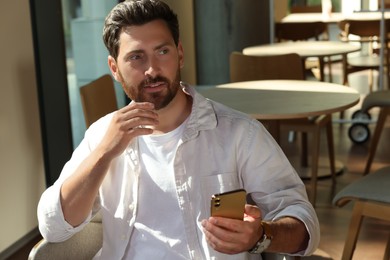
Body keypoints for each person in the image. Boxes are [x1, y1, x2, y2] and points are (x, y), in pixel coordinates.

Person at [37, 0, 320, 259]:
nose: (152, 69)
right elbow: (54, 228)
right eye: (136, 57)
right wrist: (104, 153)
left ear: (180, 54)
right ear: (114, 68)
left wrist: (262, 235)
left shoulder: (239, 134)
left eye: (162, 51)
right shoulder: (102, 135)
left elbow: (304, 224)